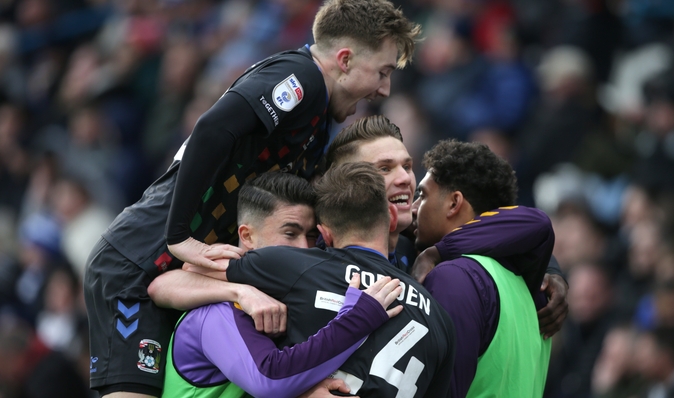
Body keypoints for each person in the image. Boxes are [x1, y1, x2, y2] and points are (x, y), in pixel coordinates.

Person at [83, 1, 421, 397]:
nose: (384, 88)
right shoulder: (302, 78)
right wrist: (178, 237)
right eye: (382, 72)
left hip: (179, 273)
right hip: (138, 260)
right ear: (344, 60)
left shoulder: (315, 121)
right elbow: (211, 128)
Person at [199, 162, 456, 397]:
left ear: (324, 234)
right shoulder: (441, 319)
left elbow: (181, 275)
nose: (303, 246)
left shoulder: (292, 267)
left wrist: (240, 293)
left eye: (311, 236)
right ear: (390, 216)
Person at [158, 173, 403, 398]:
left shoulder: (295, 303)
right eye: (290, 234)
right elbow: (269, 381)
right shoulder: (214, 312)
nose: (305, 249)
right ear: (247, 237)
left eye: (310, 237)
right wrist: (358, 320)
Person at [325, 115, 568, 337]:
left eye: (407, 167)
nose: (405, 179)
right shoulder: (316, 259)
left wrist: (550, 269)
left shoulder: (431, 265)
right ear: (346, 187)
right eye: (384, 169)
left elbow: (534, 223)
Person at [412, 139, 553, 397]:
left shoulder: (453, 277)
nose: (412, 208)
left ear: (454, 203)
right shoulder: (531, 291)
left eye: (422, 195)